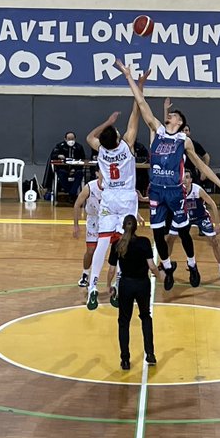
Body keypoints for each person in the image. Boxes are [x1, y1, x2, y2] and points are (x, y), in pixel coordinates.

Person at [116, 60, 220, 291]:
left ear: (179, 122)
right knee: (158, 233)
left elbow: (202, 167)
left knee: (183, 231)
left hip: (174, 191)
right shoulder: (158, 130)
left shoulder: (184, 140)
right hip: (156, 190)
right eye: (167, 114)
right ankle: (168, 267)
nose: (168, 115)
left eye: (172, 115)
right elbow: (141, 103)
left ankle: (192, 264)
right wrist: (129, 77)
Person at [84, 95, 143, 310]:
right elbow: (135, 115)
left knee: (102, 242)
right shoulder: (127, 146)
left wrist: (108, 122)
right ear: (118, 138)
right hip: (126, 198)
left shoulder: (100, 150)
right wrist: (139, 89)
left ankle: (93, 287)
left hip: (108, 197)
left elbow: (90, 136)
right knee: (122, 241)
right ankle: (117, 285)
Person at [110, 215, 164, 370]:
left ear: (123, 226)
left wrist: (109, 285)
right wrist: (160, 277)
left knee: (124, 322)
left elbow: (112, 270)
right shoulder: (144, 242)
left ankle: (125, 360)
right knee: (145, 317)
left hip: (126, 285)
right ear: (136, 227)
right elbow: (152, 266)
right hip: (142, 284)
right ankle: (150, 354)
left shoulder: (117, 244)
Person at [171, 170, 220, 281]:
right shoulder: (176, 190)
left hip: (200, 217)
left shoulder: (197, 190)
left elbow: (212, 204)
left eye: (187, 177)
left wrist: (217, 224)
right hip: (184, 218)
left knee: (214, 241)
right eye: (183, 177)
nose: (184, 180)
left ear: (191, 180)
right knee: (170, 238)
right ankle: (165, 263)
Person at [72, 171, 103, 288]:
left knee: (115, 251)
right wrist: (76, 225)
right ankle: (85, 274)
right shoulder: (89, 187)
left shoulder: (112, 186)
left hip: (108, 220)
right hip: (93, 221)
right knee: (90, 251)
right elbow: (76, 205)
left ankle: (119, 277)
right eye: (102, 171)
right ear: (97, 173)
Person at [182, 123, 211, 188]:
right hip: (179, 172)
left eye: (186, 130)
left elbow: (206, 156)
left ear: (189, 132)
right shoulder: (175, 144)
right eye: (182, 130)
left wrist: (204, 172)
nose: (184, 132)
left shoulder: (195, 144)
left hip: (192, 172)